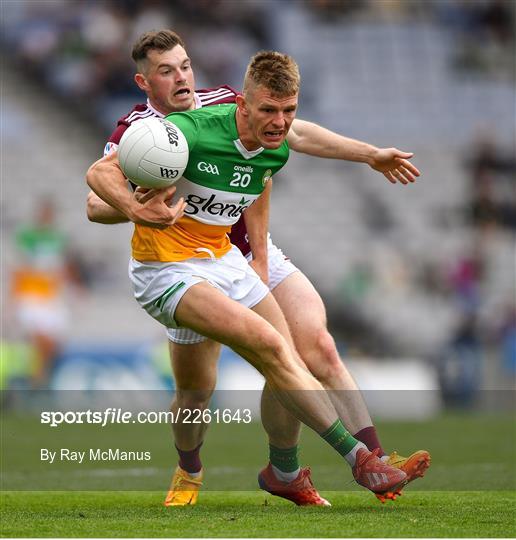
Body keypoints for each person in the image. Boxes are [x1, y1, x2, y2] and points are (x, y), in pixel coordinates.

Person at [86, 30, 430, 506]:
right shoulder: (144, 133)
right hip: (176, 263)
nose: (181, 76)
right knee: (196, 394)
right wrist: (138, 205)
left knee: (305, 350)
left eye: (185, 64)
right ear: (143, 82)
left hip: (236, 256)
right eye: (166, 70)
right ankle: (190, 471)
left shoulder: (235, 106)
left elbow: (276, 155)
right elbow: (95, 199)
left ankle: (352, 462)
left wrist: (368, 154)